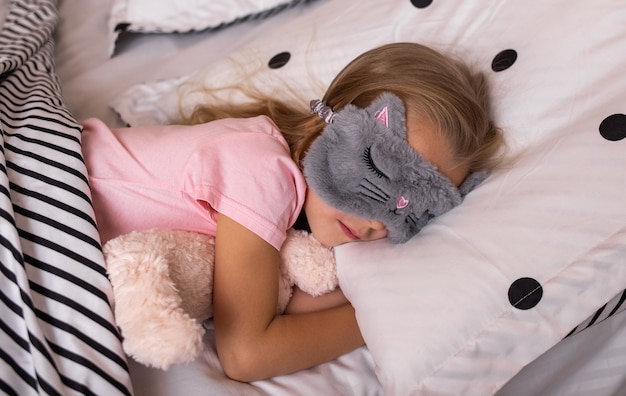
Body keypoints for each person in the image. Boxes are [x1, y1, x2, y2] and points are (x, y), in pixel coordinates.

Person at [81, 42, 505, 382]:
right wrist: (379, 318)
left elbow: (291, 310)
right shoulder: (265, 168)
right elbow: (247, 354)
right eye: (377, 170)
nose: (378, 219)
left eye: (409, 208)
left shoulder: (295, 232)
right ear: (322, 127)